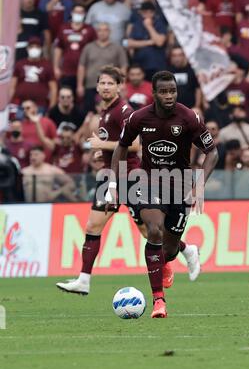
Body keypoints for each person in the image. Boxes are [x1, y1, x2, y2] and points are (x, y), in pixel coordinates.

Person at [56, 67, 201, 297]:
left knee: (150, 232)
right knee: (93, 226)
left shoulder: (123, 111)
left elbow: (134, 146)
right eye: (102, 83)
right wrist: (102, 153)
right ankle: (84, 280)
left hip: (131, 177)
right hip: (111, 176)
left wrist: (102, 146)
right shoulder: (104, 112)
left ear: (119, 86)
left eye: (110, 84)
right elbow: (115, 145)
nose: (105, 87)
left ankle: (185, 250)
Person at [105, 71, 218, 318]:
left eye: (173, 91)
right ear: (154, 93)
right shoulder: (139, 117)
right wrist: (113, 186)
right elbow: (120, 148)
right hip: (149, 183)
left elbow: (213, 152)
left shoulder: (189, 117)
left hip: (178, 187)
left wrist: (199, 184)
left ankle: (183, 251)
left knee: (168, 251)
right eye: (164, 92)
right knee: (154, 230)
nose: (169, 96)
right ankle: (159, 301)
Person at [77, 23, 128, 112]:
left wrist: (122, 83)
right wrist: (80, 85)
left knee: (111, 112)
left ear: (109, 32)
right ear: (96, 32)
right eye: (100, 30)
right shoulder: (88, 47)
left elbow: (124, 66)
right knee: (90, 113)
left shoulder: (117, 47)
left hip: (109, 86)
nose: (102, 32)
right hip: (91, 85)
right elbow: (82, 66)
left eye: (105, 30)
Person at [53, 4, 97, 93]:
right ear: (72, 13)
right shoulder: (64, 28)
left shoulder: (90, 29)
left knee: (82, 98)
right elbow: (58, 48)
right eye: (76, 12)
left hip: (85, 71)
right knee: (67, 95)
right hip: (66, 71)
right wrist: (56, 67)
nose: (78, 14)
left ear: (85, 14)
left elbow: (95, 50)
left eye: (81, 12)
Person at [10, 37, 57, 111]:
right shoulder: (20, 64)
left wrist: (51, 108)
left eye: (37, 47)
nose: (34, 49)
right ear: (27, 49)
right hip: (20, 105)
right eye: (31, 47)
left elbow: (53, 88)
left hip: (40, 105)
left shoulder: (47, 65)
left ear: (41, 49)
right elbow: (12, 86)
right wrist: (9, 102)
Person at [128, 1, 168, 81]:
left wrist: (149, 26)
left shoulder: (159, 23)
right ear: (140, 12)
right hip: (140, 66)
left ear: (154, 12)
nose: (148, 14)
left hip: (157, 65)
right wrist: (150, 42)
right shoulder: (137, 24)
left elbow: (159, 42)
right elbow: (128, 43)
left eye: (151, 12)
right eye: (145, 12)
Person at [167, 46, 202, 113]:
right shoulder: (167, 72)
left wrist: (197, 106)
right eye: (174, 55)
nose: (177, 58)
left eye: (180, 55)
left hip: (191, 108)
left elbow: (198, 89)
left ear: (184, 56)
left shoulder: (192, 70)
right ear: (171, 58)